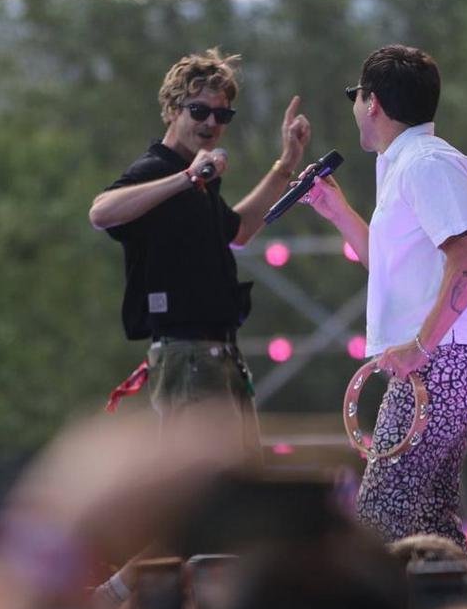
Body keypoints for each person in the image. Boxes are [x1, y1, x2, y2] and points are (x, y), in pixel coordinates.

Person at [298, 44, 467, 552]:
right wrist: (337, 211)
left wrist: (419, 346)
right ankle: (453, 598)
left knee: (382, 513)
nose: (355, 107)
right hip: (451, 354)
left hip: (444, 356)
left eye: (355, 96)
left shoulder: (426, 162)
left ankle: (407, 602)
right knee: (429, 515)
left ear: (371, 101)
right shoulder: (409, 163)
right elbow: (395, 266)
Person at [89, 49, 310, 449]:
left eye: (222, 115)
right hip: (188, 356)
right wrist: (186, 179)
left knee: (241, 475)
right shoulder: (159, 169)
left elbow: (239, 231)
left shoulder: (200, 179)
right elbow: (101, 212)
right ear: (173, 109)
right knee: (210, 479)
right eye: (199, 111)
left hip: (218, 355)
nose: (211, 123)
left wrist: (287, 163)